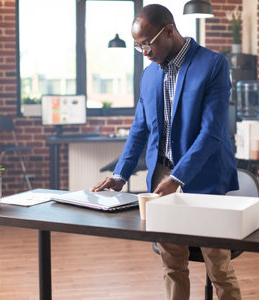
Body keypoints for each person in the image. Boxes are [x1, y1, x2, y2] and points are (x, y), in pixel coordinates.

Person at [92, 4, 241, 300]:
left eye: (147, 43)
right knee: (171, 263)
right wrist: (120, 174)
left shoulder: (213, 65)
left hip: (204, 176)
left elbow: (212, 133)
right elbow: (139, 130)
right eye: (138, 47)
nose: (145, 52)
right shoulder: (148, 76)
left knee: (219, 269)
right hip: (162, 175)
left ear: (169, 30)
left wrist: (180, 177)